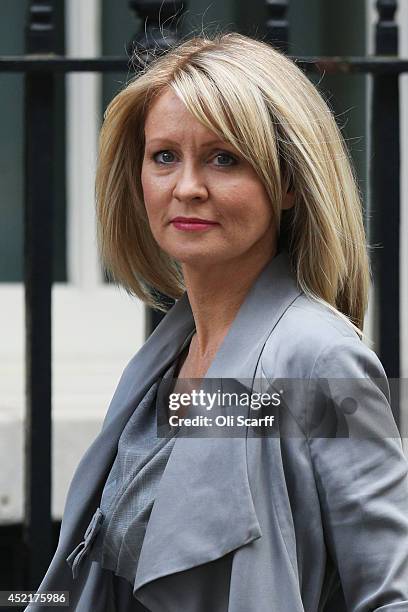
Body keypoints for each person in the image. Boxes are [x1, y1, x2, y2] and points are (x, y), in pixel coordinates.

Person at [26, 31, 408, 611]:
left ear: (286, 183)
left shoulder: (317, 357)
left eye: (223, 158)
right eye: (164, 157)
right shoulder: (168, 355)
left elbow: (391, 593)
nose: (186, 188)